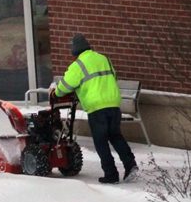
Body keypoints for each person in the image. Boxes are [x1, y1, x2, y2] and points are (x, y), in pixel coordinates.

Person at [50, 34, 138, 183]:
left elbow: (65, 86)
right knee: (116, 136)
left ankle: (111, 174)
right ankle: (130, 165)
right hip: (113, 104)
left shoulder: (78, 65)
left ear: (74, 50)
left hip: (97, 108)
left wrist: (56, 92)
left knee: (101, 141)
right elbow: (113, 77)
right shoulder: (104, 59)